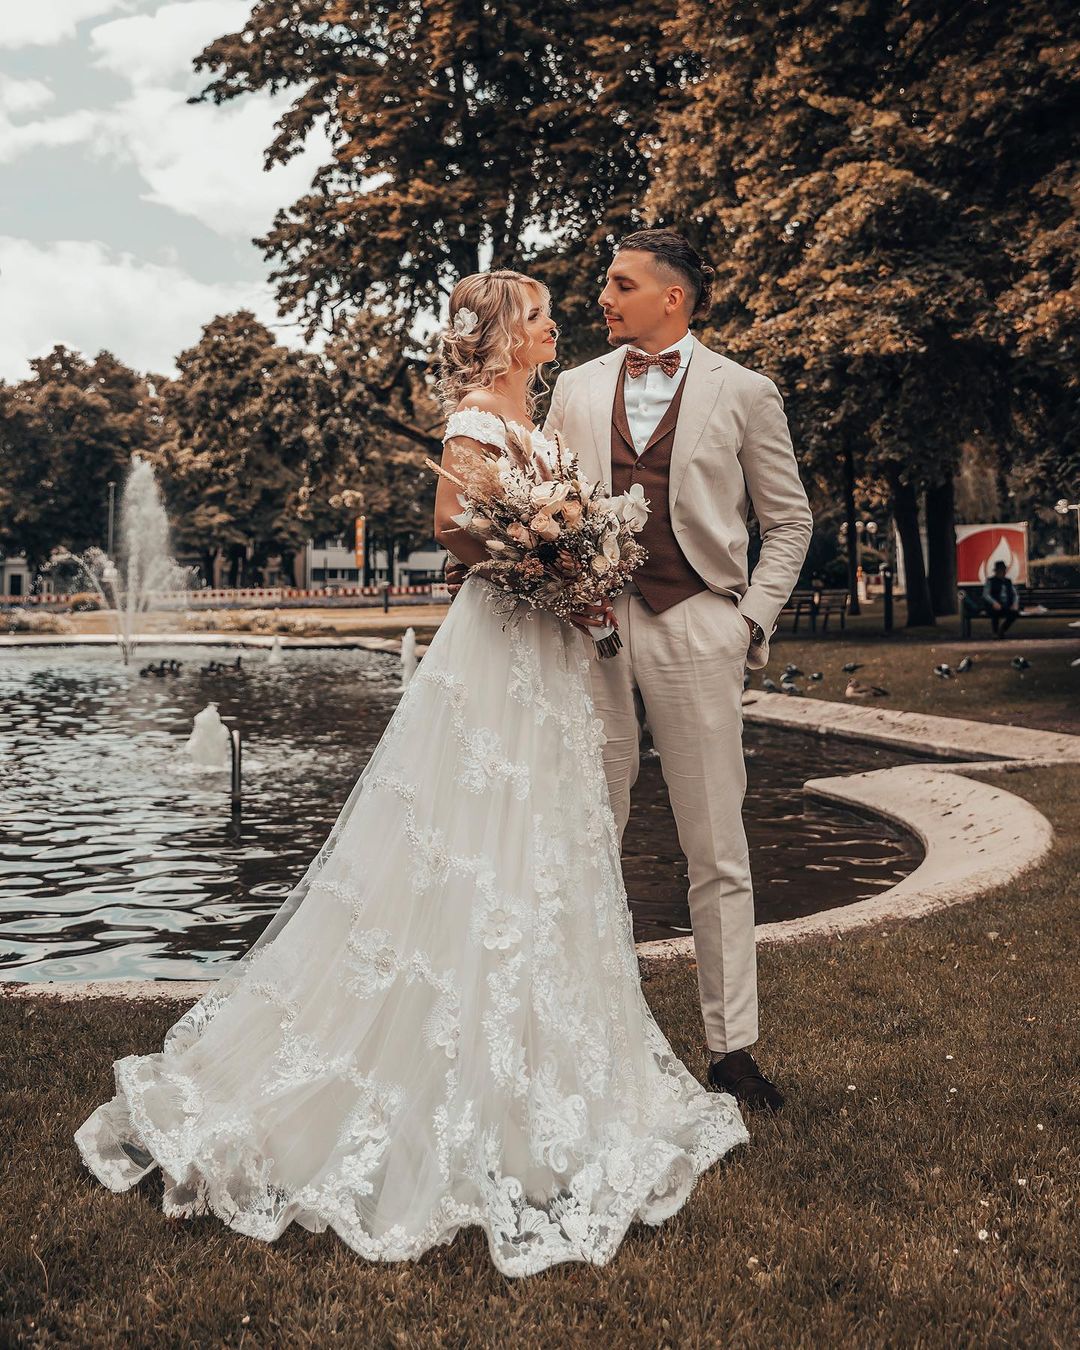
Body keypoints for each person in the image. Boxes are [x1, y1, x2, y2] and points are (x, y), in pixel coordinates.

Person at [74, 268, 749, 1279]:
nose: (554, 326)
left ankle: (548, 1066)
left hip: (551, 655)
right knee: (470, 833)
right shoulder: (477, 417)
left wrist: (576, 565)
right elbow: (454, 524)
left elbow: (534, 522)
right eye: (538, 317)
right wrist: (547, 564)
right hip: (501, 646)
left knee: (546, 841)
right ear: (502, 335)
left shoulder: (540, 422)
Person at [447, 230, 814, 1111]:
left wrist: (747, 621)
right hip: (589, 635)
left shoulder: (746, 391)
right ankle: (595, 1036)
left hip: (699, 629)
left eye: (620, 285)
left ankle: (732, 1051)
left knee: (715, 847)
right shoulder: (574, 388)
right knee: (586, 836)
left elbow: (789, 521)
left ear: (671, 298)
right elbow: (536, 501)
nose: (603, 299)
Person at [981, 560, 1021, 637]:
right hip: (994, 605)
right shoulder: (990, 581)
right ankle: (995, 632)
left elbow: (1015, 594)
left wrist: (1015, 603)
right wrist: (994, 603)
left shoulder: (1008, 581)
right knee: (995, 611)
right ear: (996, 571)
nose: (1003, 572)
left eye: (1003, 570)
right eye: (1001, 570)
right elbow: (986, 594)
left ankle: (1002, 630)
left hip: (1006, 605)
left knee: (1014, 613)